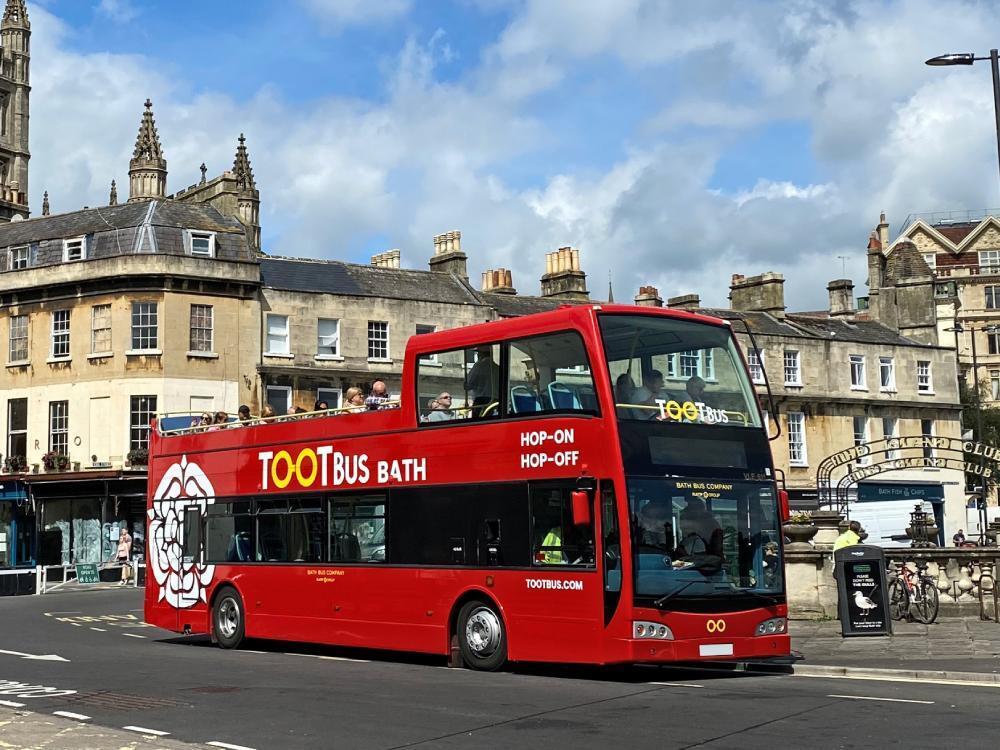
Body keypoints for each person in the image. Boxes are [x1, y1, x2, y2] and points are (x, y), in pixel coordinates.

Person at [466, 346, 500, 416]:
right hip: (496, 401)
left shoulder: (478, 366)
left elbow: (467, 385)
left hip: (481, 401)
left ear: (481, 354)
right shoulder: (497, 368)